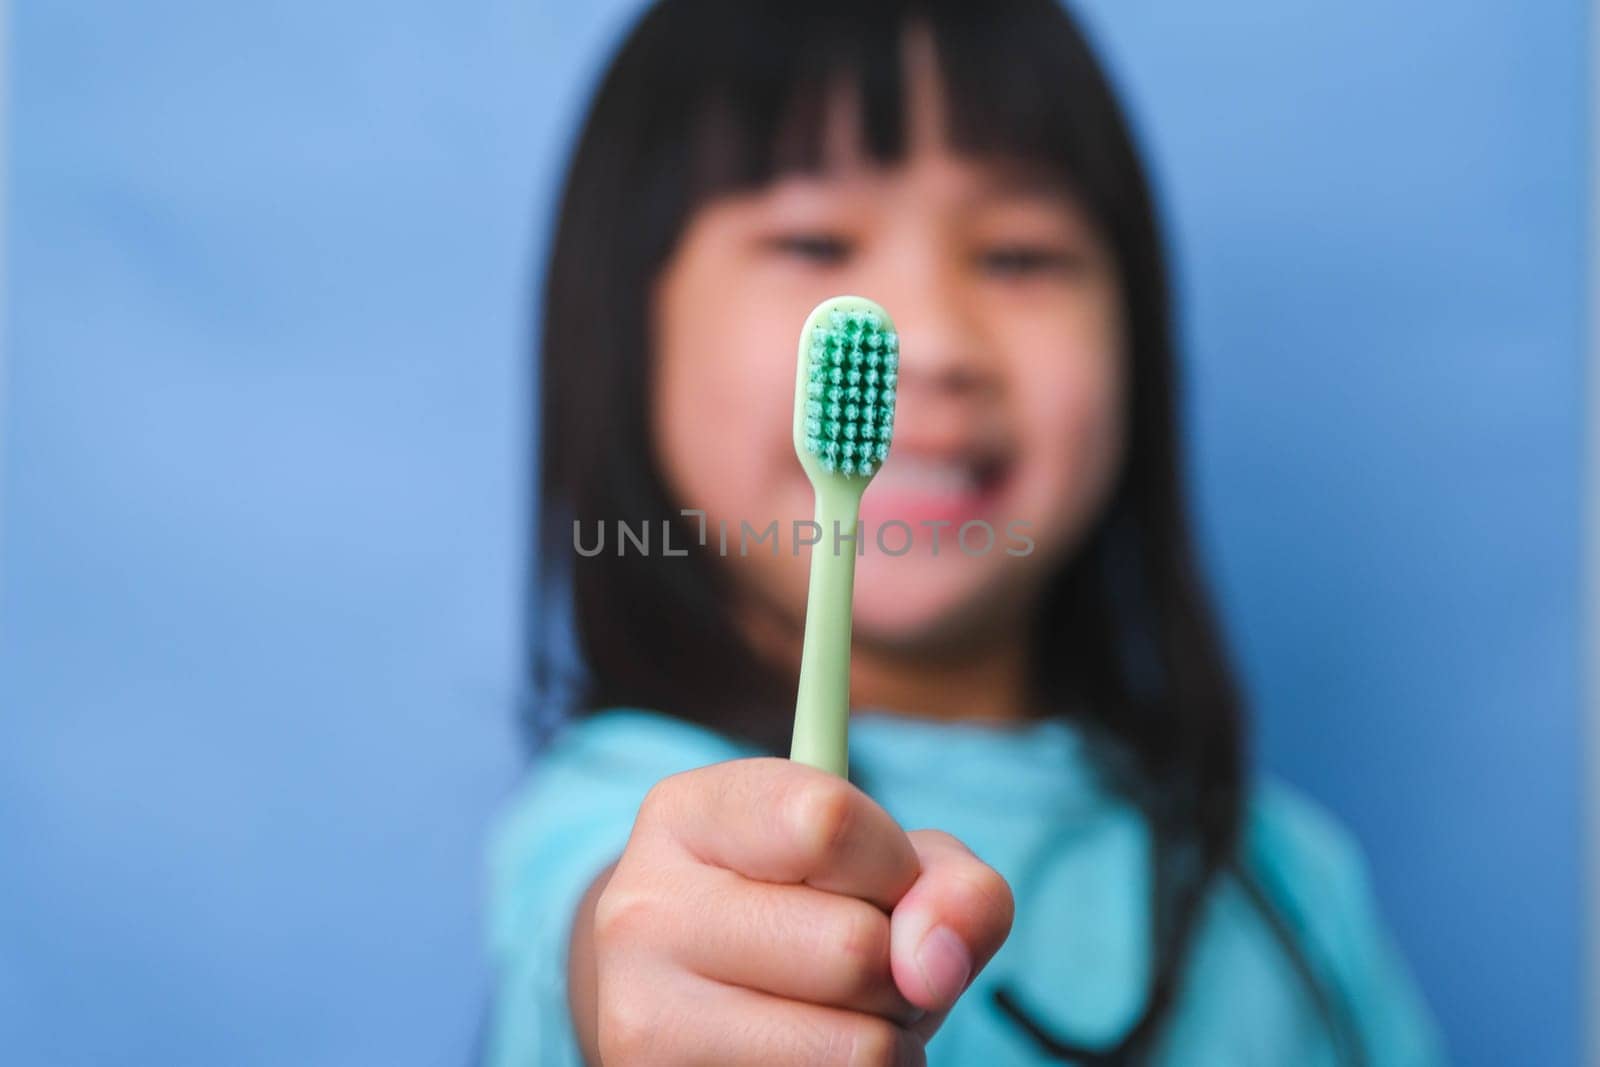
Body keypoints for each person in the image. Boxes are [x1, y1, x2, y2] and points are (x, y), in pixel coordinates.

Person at [486, 0, 1443, 1062]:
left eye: (1018, 256)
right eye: (813, 240)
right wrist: (651, 984)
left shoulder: (1290, 882)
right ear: (627, 336)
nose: (931, 339)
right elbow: (617, 945)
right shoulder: (619, 819)